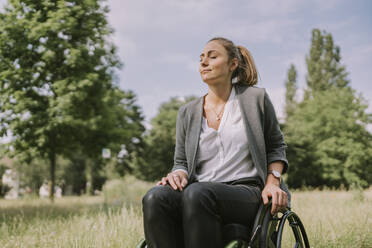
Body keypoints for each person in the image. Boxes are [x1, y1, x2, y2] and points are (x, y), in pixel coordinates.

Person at [142, 37, 290, 248]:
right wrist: (178, 174)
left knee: (198, 193)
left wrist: (273, 183)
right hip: (198, 191)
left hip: (246, 190)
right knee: (155, 198)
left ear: (233, 64)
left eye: (212, 56)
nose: (203, 62)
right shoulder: (187, 112)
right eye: (201, 58)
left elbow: (276, 147)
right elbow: (181, 162)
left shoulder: (254, 99)